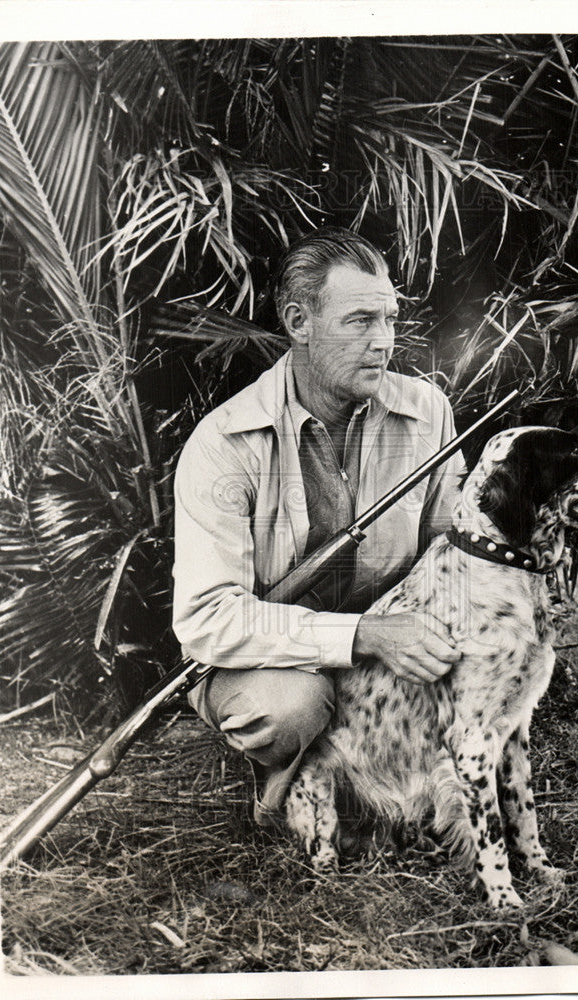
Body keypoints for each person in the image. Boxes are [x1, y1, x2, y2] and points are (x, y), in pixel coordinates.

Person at [172, 228, 466, 827]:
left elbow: (451, 552)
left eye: (389, 319)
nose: (383, 342)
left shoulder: (428, 411)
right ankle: (290, 798)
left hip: (383, 652)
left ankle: (389, 782)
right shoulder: (224, 444)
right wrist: (364, 634)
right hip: (262, 661)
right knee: (293, 706)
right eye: (360, 321)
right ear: (298, 321)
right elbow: (207, 620)